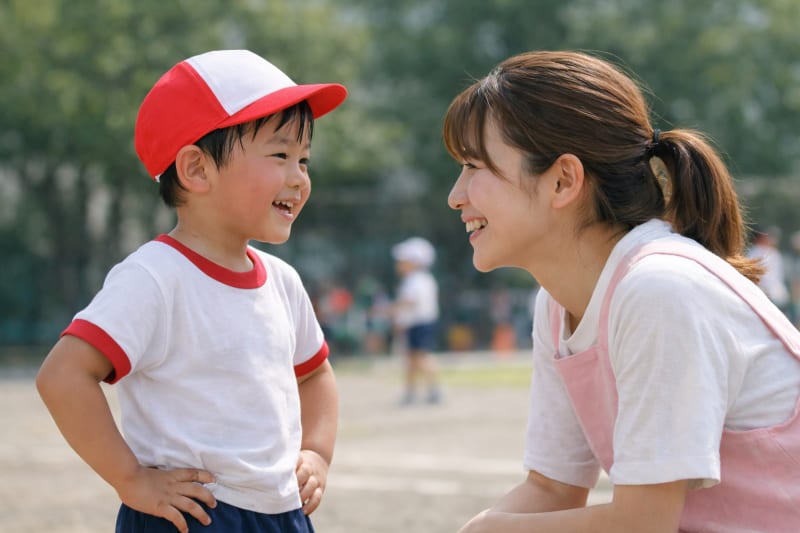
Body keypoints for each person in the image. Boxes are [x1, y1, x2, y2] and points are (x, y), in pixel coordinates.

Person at [444, 51, 800, 532]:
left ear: (563, 180)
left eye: (473, 166)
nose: (455, 195)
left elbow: (643, 523)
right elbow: (553, 487)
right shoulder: (557, 303)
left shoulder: (659, 289)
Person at [36, 49, 347, 533]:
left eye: (304, 159)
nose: (299, 177)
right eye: (281, 155)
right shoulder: (155, 276)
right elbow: (63, 376)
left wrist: (317, 453)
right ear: (197, 170)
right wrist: (131, 478)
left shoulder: (283, 281)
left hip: (281, 513)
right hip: (193, 514)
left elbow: (315, 375)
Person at [391, 237, 443, 405]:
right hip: (417, 324)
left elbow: (411, 301)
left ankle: (434, 390)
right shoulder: (417, 279)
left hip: (420, 324)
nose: (399, 264)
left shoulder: (417, 280)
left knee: (421, 357)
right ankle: (411, 391)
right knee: (412, 360)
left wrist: (392, 309)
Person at [746, 225, 790, 311]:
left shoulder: (752, 252)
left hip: (768, 294)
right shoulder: (767, 252)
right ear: (760, 237)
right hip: (768, 294)